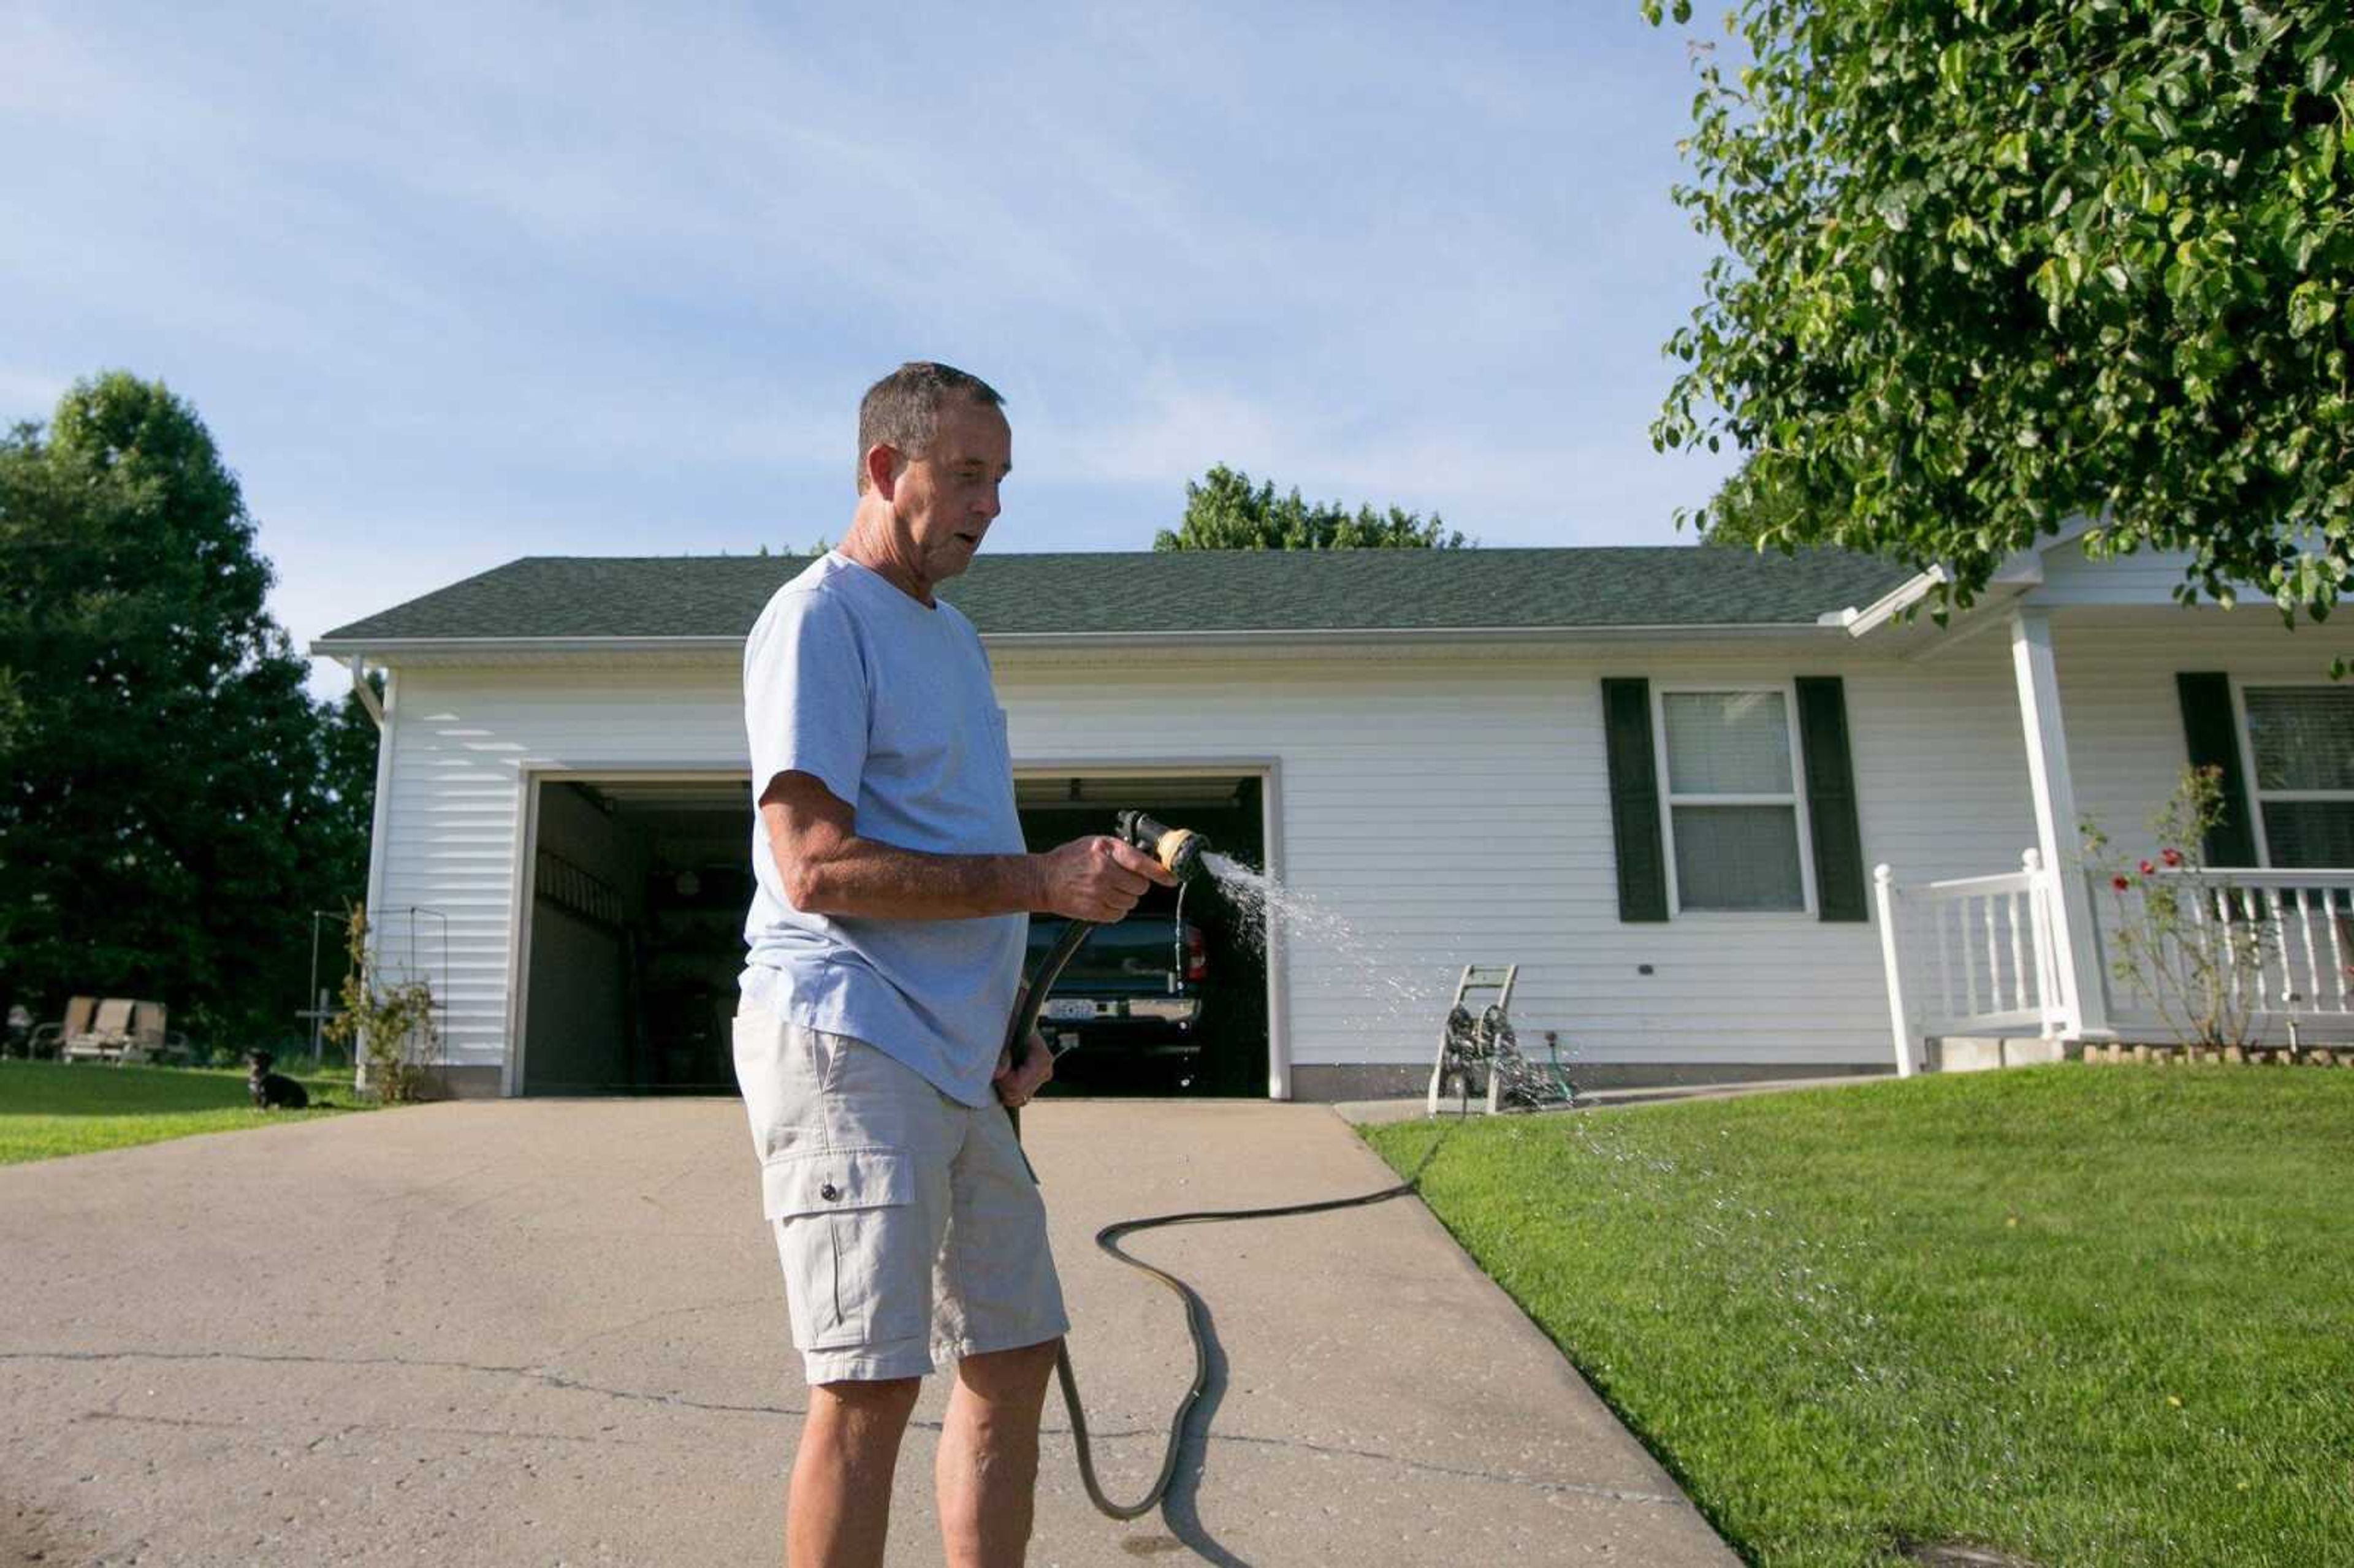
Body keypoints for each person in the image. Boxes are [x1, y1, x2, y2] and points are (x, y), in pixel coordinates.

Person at [734, 360, 1174, 1568]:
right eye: (967, 474)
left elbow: (946, 846)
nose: (991, 503)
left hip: (954, 1059)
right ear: (887, 469)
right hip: (846, 1037)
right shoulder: (818, 618)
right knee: (869, 1382)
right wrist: (1039, 879)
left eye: (1001, 479)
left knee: (1014, 1349)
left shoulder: (958, 642)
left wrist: (998, 1024)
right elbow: (814, 865)